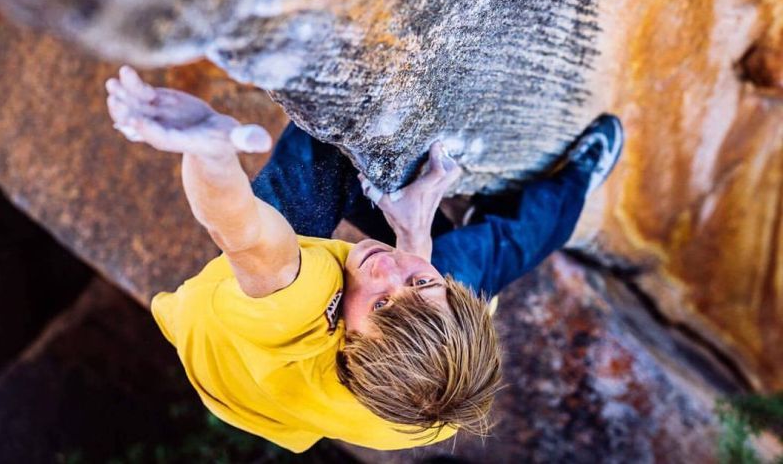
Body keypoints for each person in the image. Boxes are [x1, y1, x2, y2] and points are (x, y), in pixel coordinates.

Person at [104, 66, 623, 453]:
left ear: (344, 344)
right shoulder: (438, 403)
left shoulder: (299, 307)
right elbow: (410, 293)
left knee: (321, 159)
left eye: (380, 306)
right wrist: (414, 234)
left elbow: (240, 230)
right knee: (490, 255)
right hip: (323, 388)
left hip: (226, 352)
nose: (388, 270)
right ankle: (573, 184)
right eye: (423, 284)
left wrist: (209, 151)